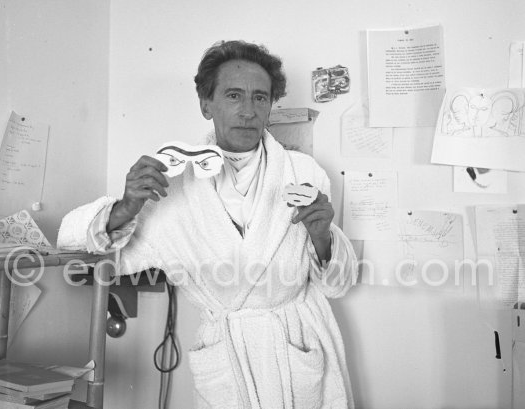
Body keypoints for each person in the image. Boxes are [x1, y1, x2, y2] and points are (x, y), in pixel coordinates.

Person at [58, 40, 358, 409]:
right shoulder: (174, 189)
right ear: (206, 105)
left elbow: (338, 285)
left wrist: (322, 237)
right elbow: (72, 250)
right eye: (234, 95)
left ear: (270, 105)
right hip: (227, 358)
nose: (248, 111)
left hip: (297, 345)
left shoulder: (306, 174)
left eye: (260, 98)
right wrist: (124, 208)